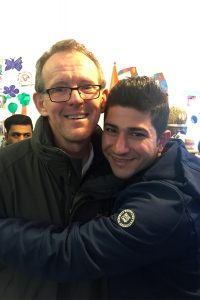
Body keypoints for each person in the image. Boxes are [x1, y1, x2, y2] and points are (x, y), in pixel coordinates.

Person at [0, 76, 200, 300]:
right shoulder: (157, 165)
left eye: (137, 134)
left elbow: (70, 254)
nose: (119, 148)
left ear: (162, 140)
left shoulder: (167, 203)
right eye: (111, 130)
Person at [0, 39, 123, 300]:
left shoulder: (124, 168)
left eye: (88, 87)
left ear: (102, 98)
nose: (76, 99)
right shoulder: (5, 170)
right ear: (40, 103)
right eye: (60, 89)